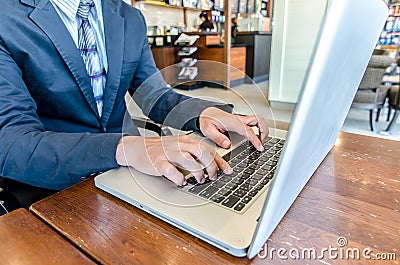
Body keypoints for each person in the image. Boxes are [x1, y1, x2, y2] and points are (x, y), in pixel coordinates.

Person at [0, 0, 267, 208]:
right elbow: (11, 142)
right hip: (49, 188)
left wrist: (204, 113)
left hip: (131, 174)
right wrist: (123, 148)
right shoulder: (6, 17)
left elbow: (154, 95)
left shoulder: (128, 17)